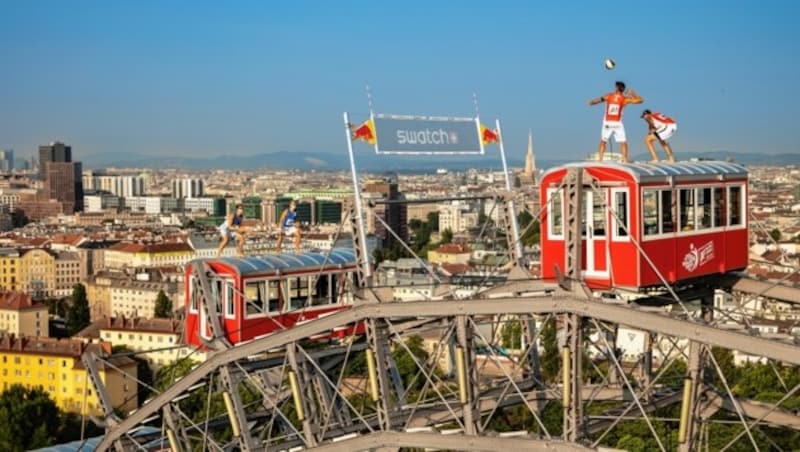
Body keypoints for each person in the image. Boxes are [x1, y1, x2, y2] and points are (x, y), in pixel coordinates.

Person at [588, 81, 643, 162]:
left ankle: (600, 159)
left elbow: (598, 100)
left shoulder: (609, 96)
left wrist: (591, 102)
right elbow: (640, 101)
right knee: (623, 142)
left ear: (617, 88)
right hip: (617, 123)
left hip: (607, 122)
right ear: (623, 89)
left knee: (603, 141)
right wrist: (633, 93)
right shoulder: (625, 99)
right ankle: (624, 159)